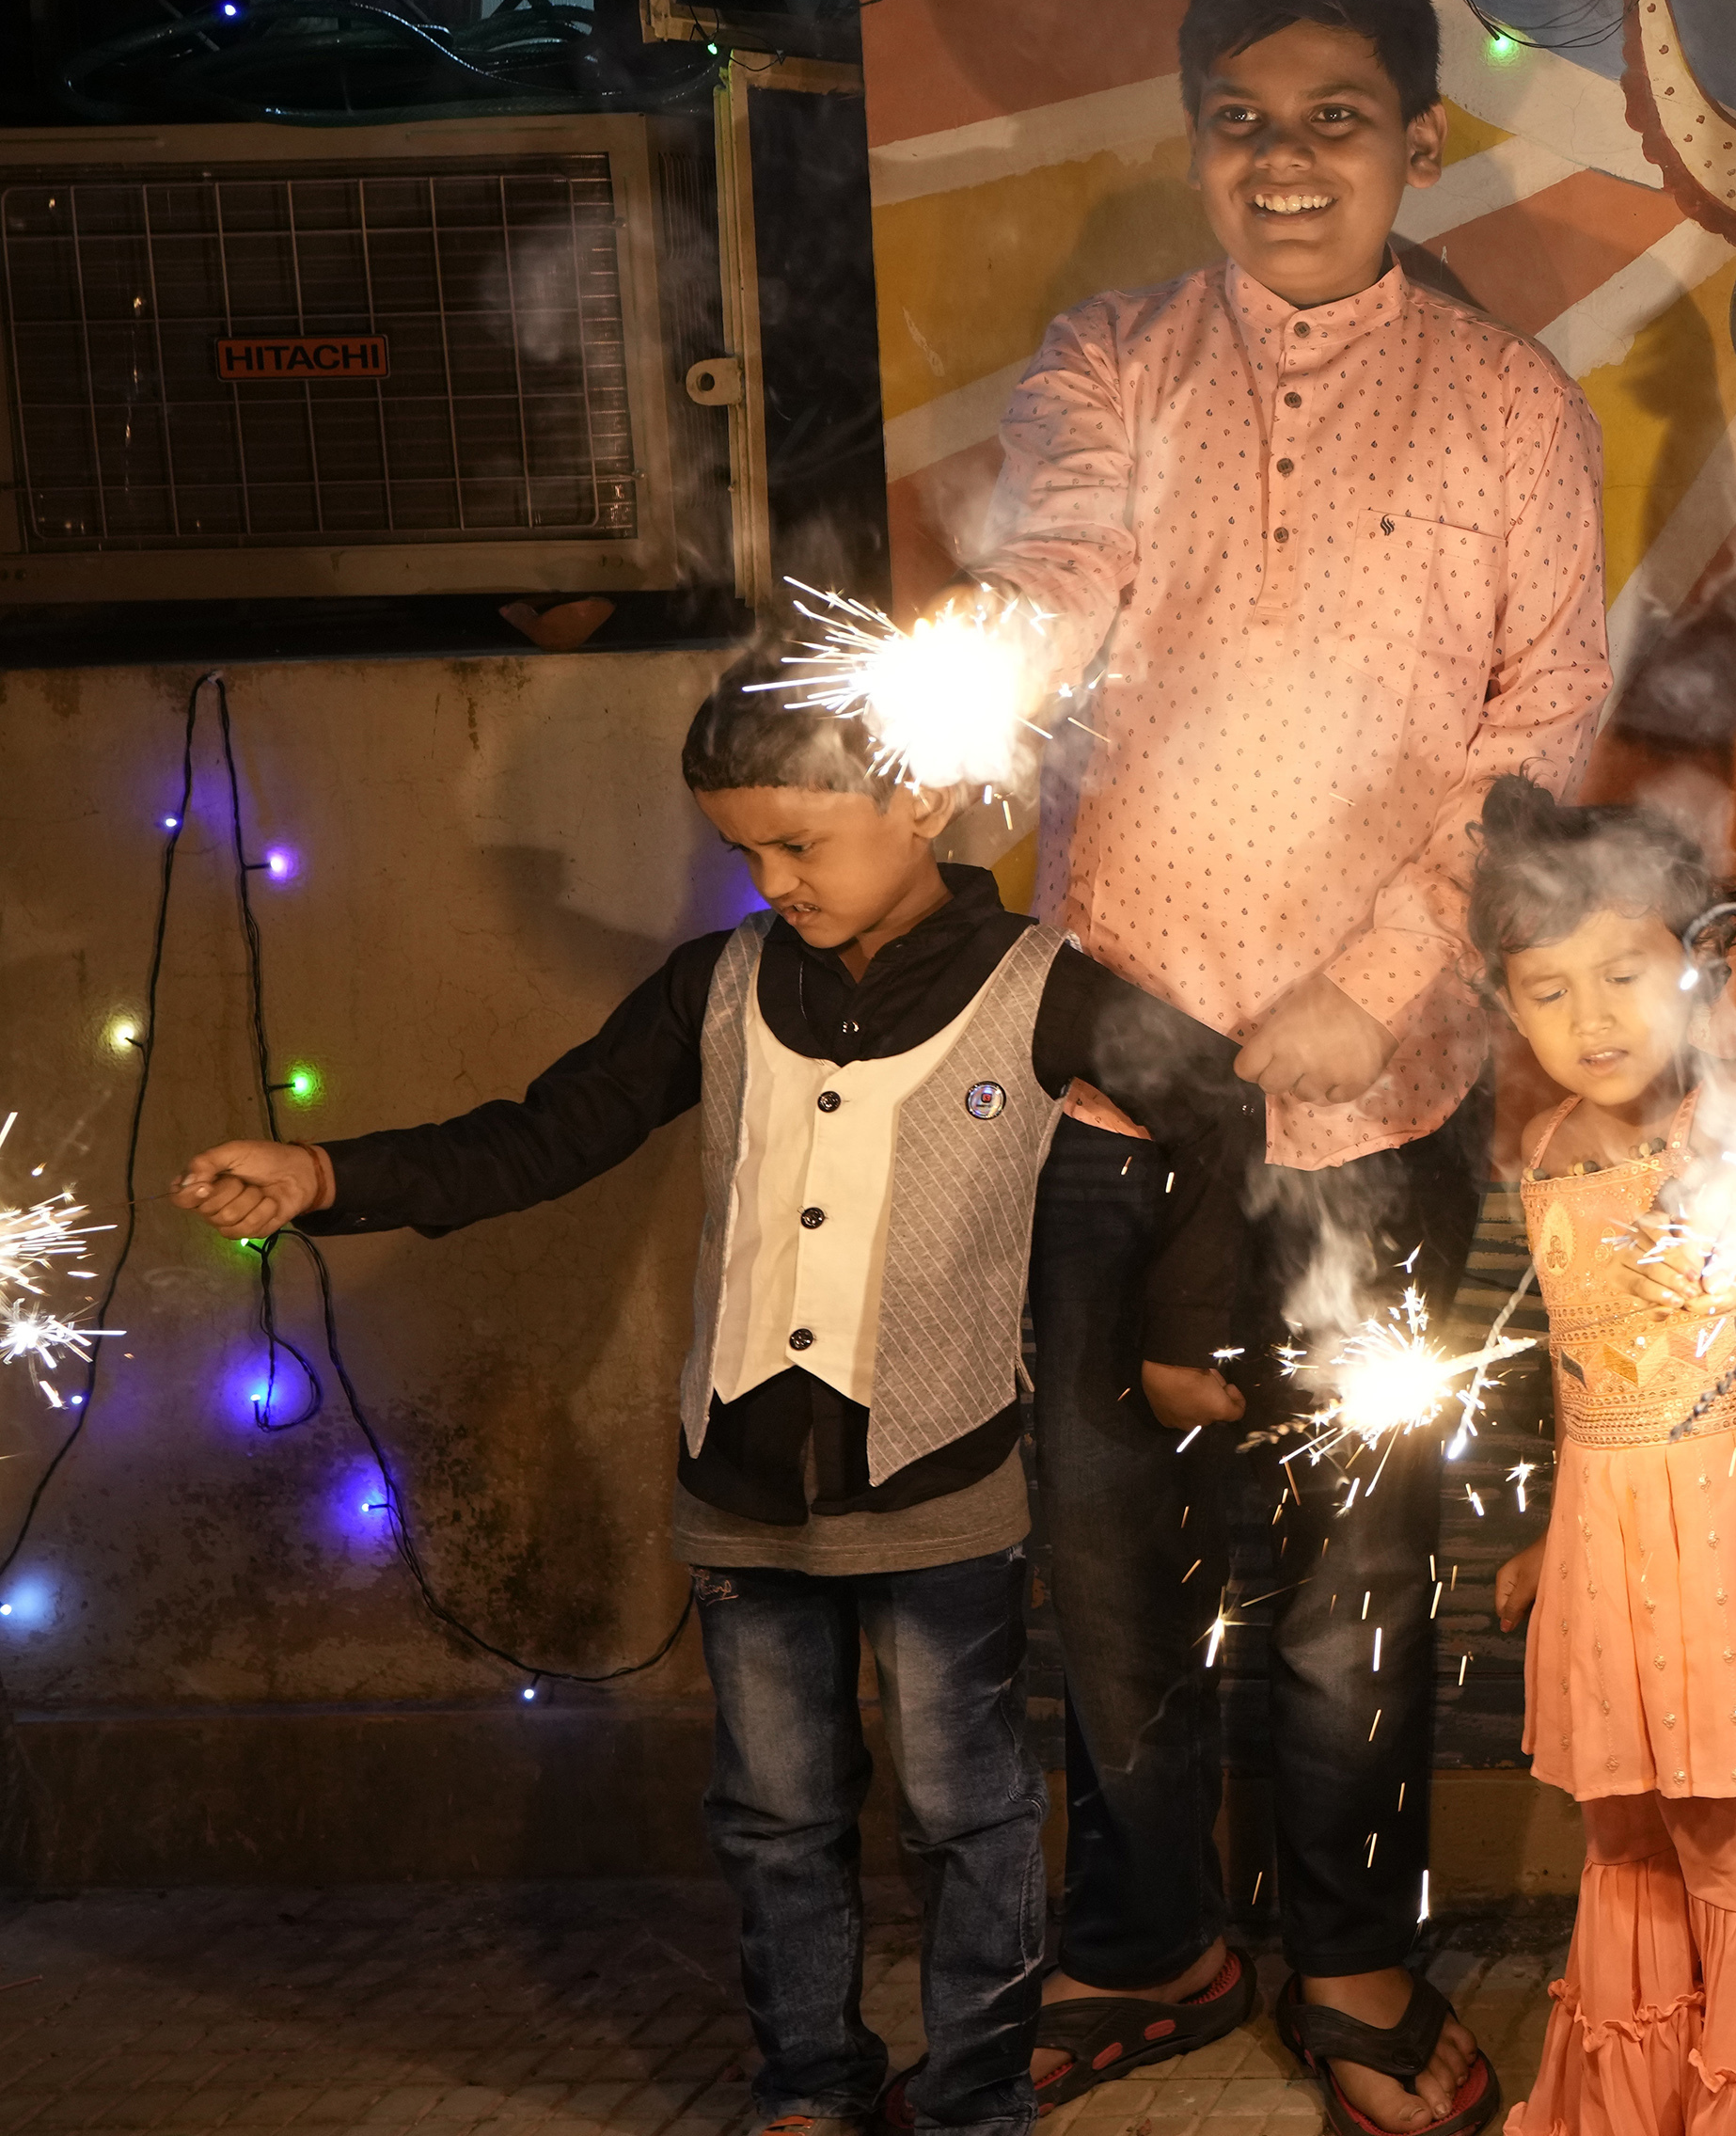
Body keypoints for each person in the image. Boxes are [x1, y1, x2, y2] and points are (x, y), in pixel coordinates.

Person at [171, 657, 1265, 2136]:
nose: (770, 878)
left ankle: (977, 2095)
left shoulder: (1043, 988)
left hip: (942, 1493)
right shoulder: (717, 981)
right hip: (740, 1492)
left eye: (799, 844)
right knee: (772, 1817)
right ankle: (808, 2082)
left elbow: (1219, 1100)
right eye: (742, 847)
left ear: (923, 798)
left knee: (967, 1812)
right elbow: (543, 1134)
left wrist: (1183, 1332)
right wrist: (324, 1175)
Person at [947, 0, 1615, 2132]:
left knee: (1347, 1573)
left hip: (1374, 1077)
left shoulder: (1512, 403)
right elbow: (1052, 565)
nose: (1285, 161)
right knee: (1108, 1559)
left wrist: (1390, 964)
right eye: (1241, 121)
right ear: (1196, 141)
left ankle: (1349, 1959)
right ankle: (1151, 1938)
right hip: (1114, 1063)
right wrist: (970, 694)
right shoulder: (1115, 358)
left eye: (1336, 119)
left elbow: (1541, 728)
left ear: (1420, 142)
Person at [1464, 777, 1736, 2136]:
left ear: (1699, 959)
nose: (1592, 1019)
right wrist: (1548, 1544)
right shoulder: (1549, 1151)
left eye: (1624, 972)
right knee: (1631, 1841)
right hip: (1616, 1560)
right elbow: (1583, 1389)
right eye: (1547, 989)